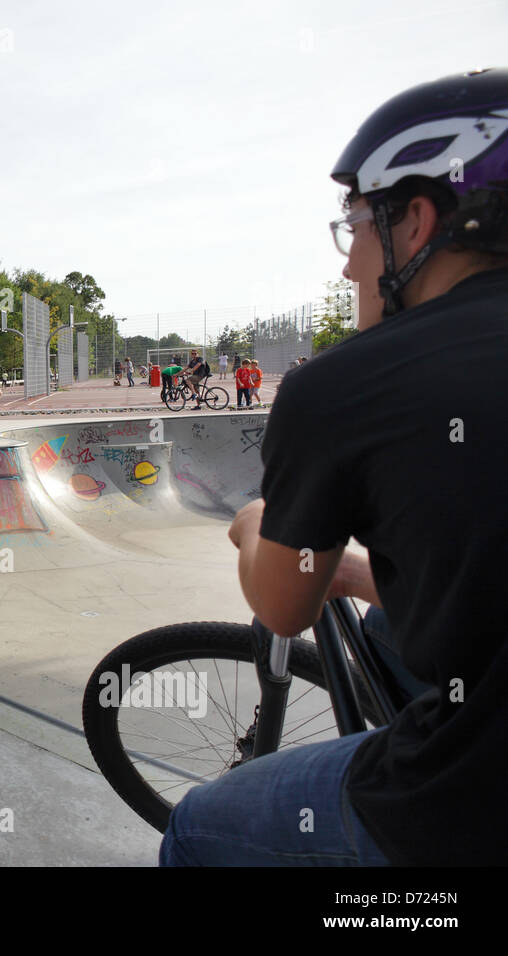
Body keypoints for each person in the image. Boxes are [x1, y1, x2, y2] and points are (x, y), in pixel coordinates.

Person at [160, 68, 508, 866]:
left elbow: (283, 608)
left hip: (469, 813)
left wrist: (254, 528)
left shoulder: (347, 383)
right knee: (388, 628)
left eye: (358, 224)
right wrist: (354, 574)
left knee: (196, 829)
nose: (351, 266)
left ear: (418, 221)